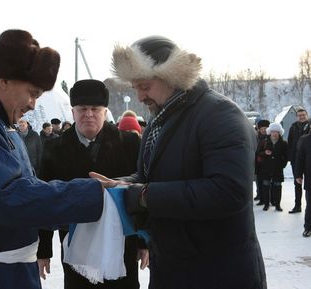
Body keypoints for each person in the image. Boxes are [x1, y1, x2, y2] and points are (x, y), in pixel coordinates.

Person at [0, 29, 113, 289]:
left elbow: (29, 190)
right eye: (33, 93)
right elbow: (8, 201)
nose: (33, 105)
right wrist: (92, 195)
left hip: (8, 270)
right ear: (4, 80)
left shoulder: (0, 125)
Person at [109, 35, 266, 288]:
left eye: (145, 86)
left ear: (172, 76)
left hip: (217, 272)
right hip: (172, 267)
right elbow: (150, 178)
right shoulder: (159, 121)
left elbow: (229, 191)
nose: (139, 97)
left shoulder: (220, 115)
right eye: (135, 88)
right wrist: (120, 185)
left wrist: (143, 196)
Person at [37, 79, 147, 289]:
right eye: (82, 109)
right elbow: (45, 199)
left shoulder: (129, 144)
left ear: (105, 111)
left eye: (95, 109)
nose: (88, 114)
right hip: (77, 245)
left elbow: (140, 193)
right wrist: (44, 250)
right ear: (73, 111)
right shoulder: (55, 148)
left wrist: (143, 241)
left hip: (122, 243)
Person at [256, 123, 288, 211]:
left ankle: (277, 205)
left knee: (277, 186)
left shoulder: (283, 143)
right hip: (266, 168)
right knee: (265, 186)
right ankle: (266, 204)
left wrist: (282, 165)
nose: (274, 134)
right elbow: (258, 153)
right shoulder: (264, 142)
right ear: (270, 132)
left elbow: (286, 156)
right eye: (273, 132)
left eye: (276, 132)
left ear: (279, 133)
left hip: (278, 169)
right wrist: (264, 153)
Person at [287, 108, 310, 213]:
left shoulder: (310, 125)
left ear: (307, 115)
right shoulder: (293, 127)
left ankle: (308, 208)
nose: (301, 117)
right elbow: (290, 143)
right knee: (297, 183)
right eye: (299, 115)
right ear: (297, 116)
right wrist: (291, 157)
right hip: (296, 159)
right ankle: (297, 205)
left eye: (303, 115)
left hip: (308, 159)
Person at [295, 133, 311, 237]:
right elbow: (299, 158)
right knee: (310, 204)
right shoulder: (304, 139)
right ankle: (308, 227)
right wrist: (298, 175)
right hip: (310, 176)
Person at [254, 119, 270, 205]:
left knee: (267, 182)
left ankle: (269, 198)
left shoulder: (271, 136)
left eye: (265, 128)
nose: (263, 130)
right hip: (258, 163)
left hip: (268, 163)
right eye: (262, 128)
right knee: (259, 180)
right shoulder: (255, 137)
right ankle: (261, 197)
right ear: (259, 129)